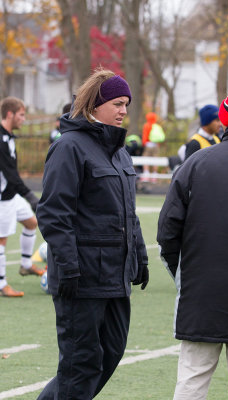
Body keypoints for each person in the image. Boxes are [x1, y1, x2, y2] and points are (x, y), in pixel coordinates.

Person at [36, 68, 149, 400]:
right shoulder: (69, 147)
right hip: (83, 278)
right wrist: (69, 266)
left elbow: (129, 213)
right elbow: (54, 213)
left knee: (109, 354)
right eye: (116, 103)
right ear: (94, 105)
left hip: (115, 277)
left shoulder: (120, 152)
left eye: (126, 103)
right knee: (81, 364)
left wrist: (139, 257)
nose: (123, 111)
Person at [157, 88, 228, 400]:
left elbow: (167, 232)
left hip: (200, 293)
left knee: (191, 381)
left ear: (224, 120)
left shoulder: (195, 163)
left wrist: (185, 276)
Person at [0, 97, 45, 297]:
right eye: (21, 115)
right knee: (1, 241)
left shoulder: (8, 136)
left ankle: (26, 265)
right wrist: (30, 196)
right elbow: (10, 174)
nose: (24, 119)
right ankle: (1, 284)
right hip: (3, 198)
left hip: (12, 194)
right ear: (10, 114)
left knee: (30, 223)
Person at [141, 111, 165, 182]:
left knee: (145, 158)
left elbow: (145, 135)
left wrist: (144, 143)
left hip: (148, 145)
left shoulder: (146, 125)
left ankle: (146, 175)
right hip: (156, 145)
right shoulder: (157, 126)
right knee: (155, 159)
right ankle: (154, 176)